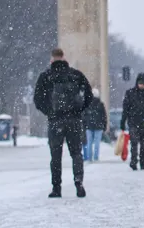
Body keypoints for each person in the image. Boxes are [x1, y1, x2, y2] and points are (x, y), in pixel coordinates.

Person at [33, 47, 94, 198]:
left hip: (56, 121)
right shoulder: (76, 75)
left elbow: (37, 99)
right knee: (76, 154)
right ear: (64, 57)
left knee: (55, 155)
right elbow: (89, 95)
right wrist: (79, 110)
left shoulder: (46, 76)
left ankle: (56, 187)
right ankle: (78, 182)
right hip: (74, 120)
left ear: (51, 59)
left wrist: (49, 111)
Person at [121, 72, 144, 171]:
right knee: (134, 143)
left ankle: (142, 161)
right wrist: (123, 121)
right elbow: (126, 108)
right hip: (133, 122)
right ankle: (133, 161)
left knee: (143, 145)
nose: (141, 85)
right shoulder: (130, 93)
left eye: (143, 83)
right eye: (140, 83)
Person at [81, 89, 108, 163]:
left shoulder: (87, 104)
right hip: (98, 126)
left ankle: (89, 158)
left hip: (89, 126)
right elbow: (104, 116)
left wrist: (84, 124)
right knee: (97, 142)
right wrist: (104, 125)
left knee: (89, 142)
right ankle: (96, 157)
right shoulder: (100, 104)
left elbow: (84, 115)